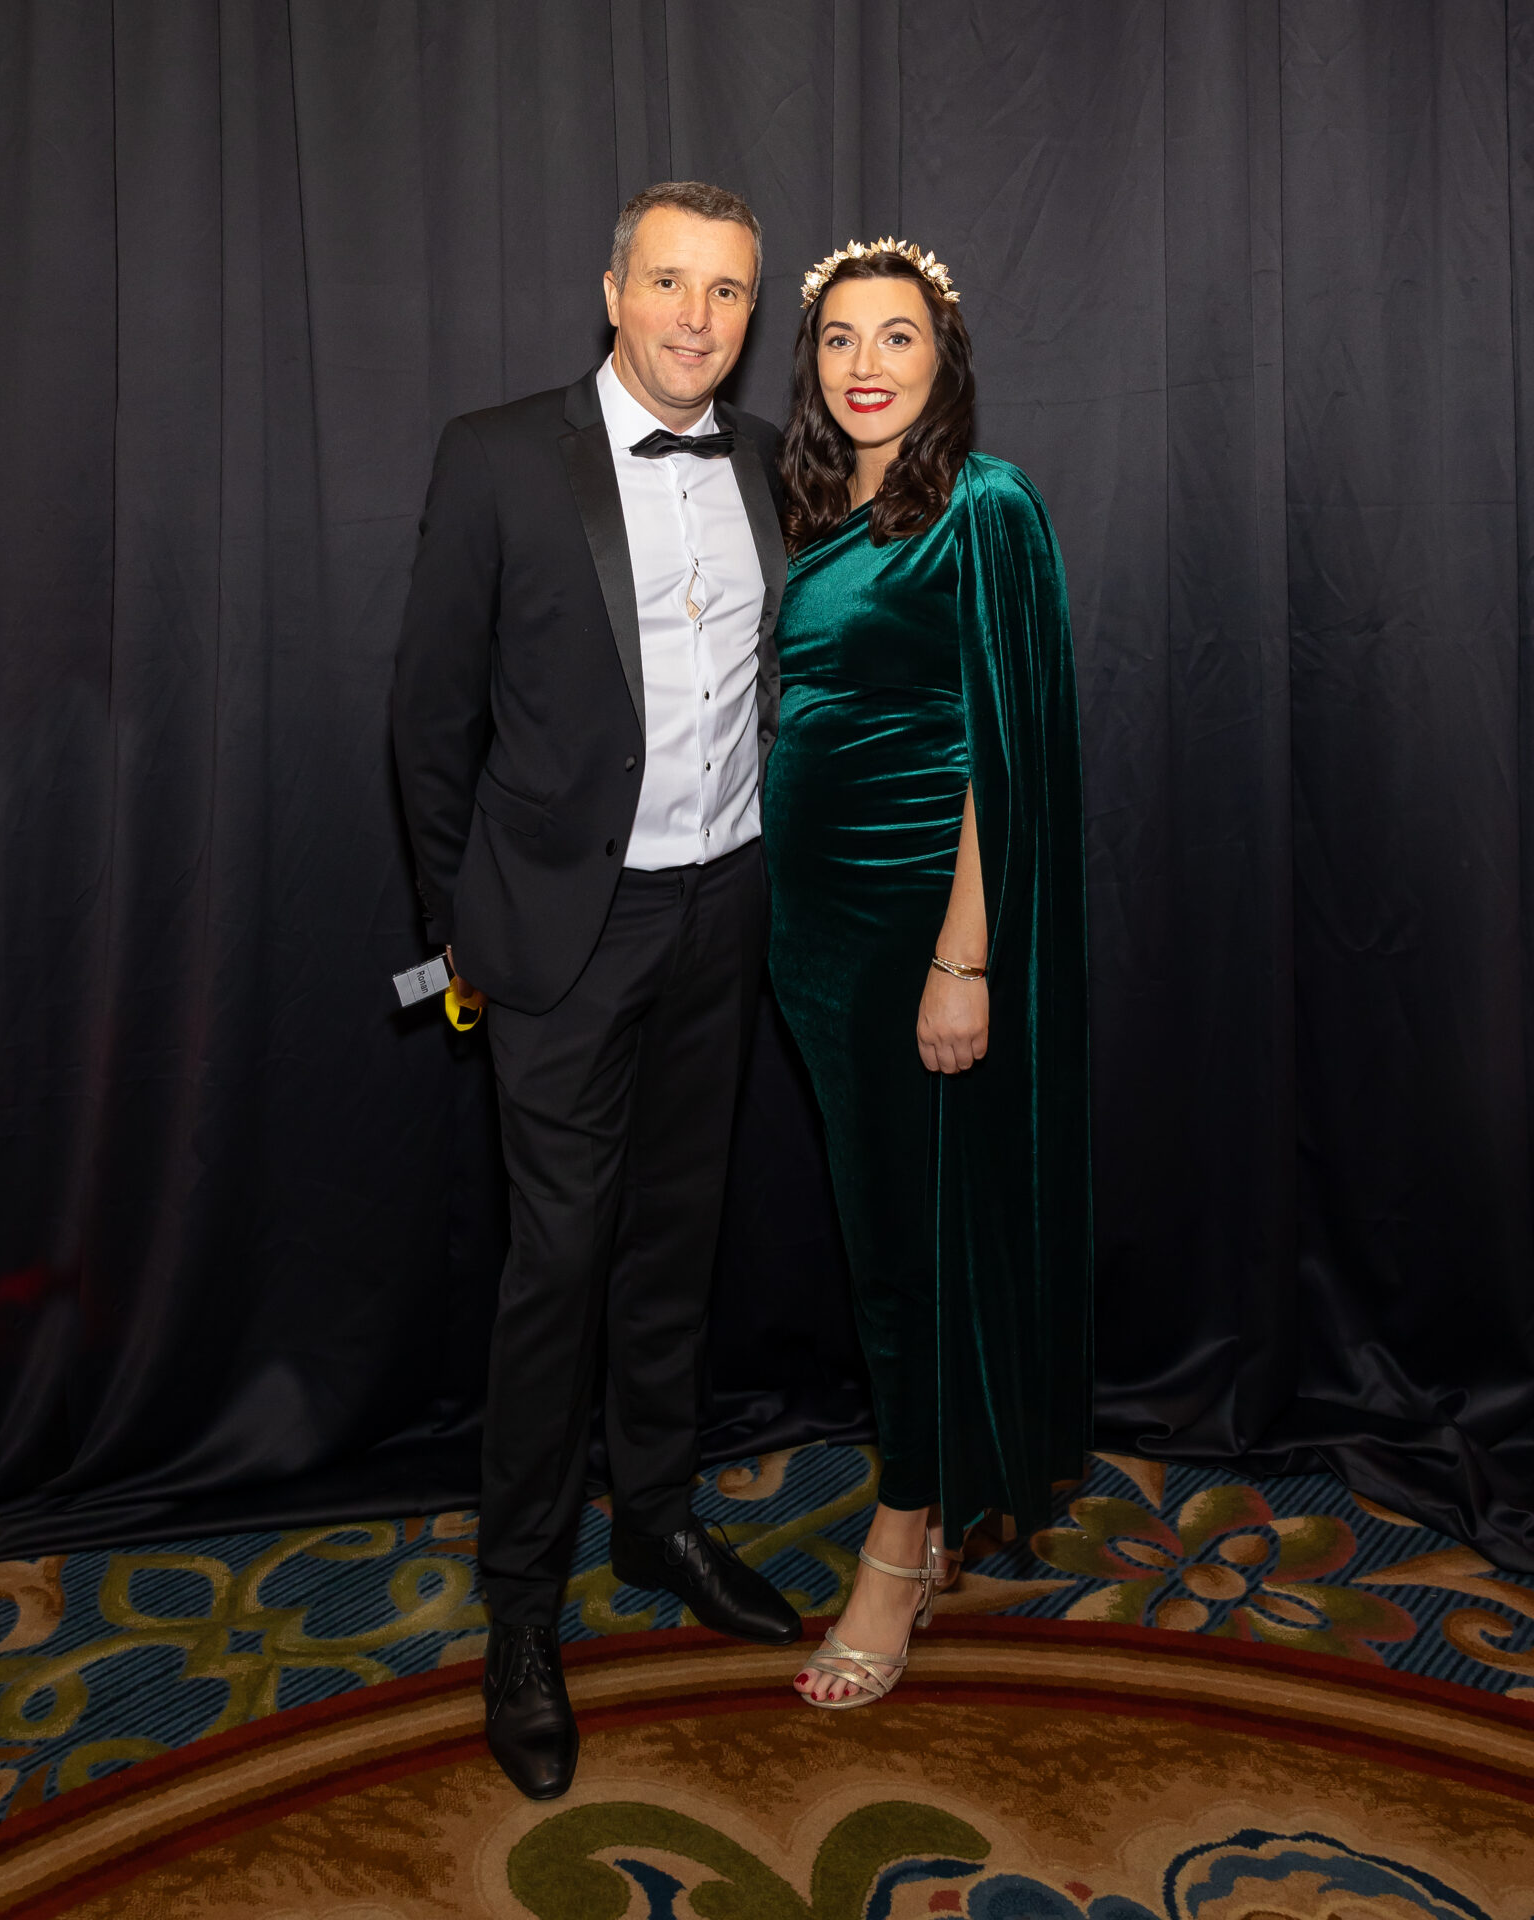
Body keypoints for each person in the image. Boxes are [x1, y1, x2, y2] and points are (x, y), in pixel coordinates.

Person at [392, 181, 800, 1801]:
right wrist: (463, 932)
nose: (699, 317)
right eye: (671, 282)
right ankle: (521, 1608)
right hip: (563, 936)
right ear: (612, 291)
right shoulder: (499, 456)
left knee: (676, 1244)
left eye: (729, 291)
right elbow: (430, 725)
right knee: (556, 1268)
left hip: (726, 909)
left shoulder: (770, 462)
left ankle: (660, 1521)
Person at [762, 239, 1092, 1707]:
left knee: (907, 1250)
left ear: (941, 359)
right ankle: (939, 1488)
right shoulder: (816, 504)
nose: (867, 365)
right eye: (841, 339)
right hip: (812, 932)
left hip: (919, 928)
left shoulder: (986, 505)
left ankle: (901, 1542)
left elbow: (1004, 753)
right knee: (886, 1229)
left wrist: (965, 958)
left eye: (897, 337)